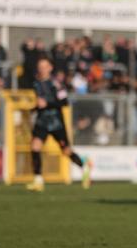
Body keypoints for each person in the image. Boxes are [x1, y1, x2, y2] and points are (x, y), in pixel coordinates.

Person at [26, 58, 91, 192]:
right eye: (40, 66)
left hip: (56, 122)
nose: (42, 69)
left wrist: (47, 104)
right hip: (42, 121)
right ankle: (38, 180)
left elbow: (64, 102)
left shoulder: (56, 83)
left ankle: (85, 168)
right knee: (35, 146)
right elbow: (41, 104)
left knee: (66, 151)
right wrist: (34, 109)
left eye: (44, 66)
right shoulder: (36, 83)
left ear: (50, 67)